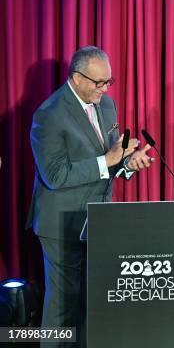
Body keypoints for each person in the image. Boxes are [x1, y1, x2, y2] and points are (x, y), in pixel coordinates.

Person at [26, 46, 154, 347]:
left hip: (99, 219)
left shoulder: (107, 106)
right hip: (61, 223)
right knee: (62, 306)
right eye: (99, 83)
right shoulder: (49, 115)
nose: (105, 89)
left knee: (93, 303)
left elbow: (111, 160)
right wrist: (109, 161)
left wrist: (128, 164)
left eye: (109, 81)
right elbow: (54, 176)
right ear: (76, 77)